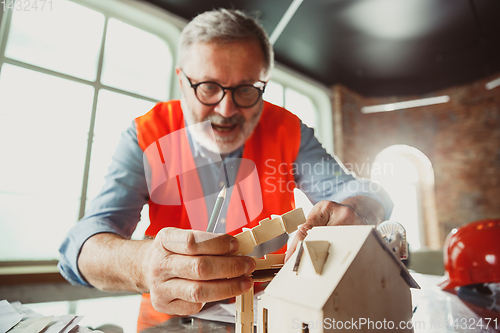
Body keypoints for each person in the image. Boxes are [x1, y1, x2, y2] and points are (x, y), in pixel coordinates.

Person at [58, 8, 393, 330]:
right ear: (181, 81)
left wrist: (360, 210)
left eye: (246, 89)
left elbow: (356, 191)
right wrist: (146, 264)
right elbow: (82, 246)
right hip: (170, 324)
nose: (227, 108)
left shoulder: (288, 130)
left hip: (272, 316)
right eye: (208, 87)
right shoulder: (146, 135)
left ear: (264, 83)